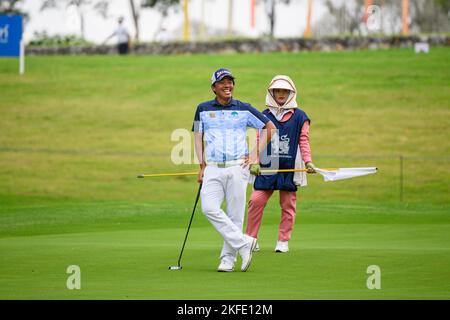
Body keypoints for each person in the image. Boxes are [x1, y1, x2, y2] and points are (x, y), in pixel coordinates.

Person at [192, 68, 275, 272]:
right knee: (209, 208)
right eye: (223, 82)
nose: (228, 85)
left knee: (235, 215)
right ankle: (245, 242)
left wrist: (255, 154)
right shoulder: (202, 109)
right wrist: (201, 166)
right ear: (214, 87)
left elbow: (270, 128)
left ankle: (228, 259)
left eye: (230, 82)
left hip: (238, 166)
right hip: (212, 167)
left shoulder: (243, 108)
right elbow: (197, 136)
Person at [245, 75, 316, 253]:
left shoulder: (301, 117)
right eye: (278, 90)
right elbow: (259, 139)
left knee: (288, 205)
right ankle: (251, 239)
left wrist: (308, 162)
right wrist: (254, 161)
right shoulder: (263, 115)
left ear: (291, 93)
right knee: (255, 201)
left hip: (289, 167)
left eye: (285, 91)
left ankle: (283, 240)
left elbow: (304, 141)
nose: (281, 94)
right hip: (267, 167)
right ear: (272, 92)